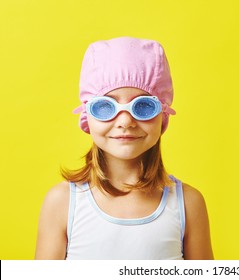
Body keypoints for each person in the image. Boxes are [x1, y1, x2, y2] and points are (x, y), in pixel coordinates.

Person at [35, 37, 213, 260]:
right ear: (87, 114)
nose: (125, 121)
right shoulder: (62, 202)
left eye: (143, 106)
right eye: (105, 107)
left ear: (162, 114)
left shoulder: (188, 203)